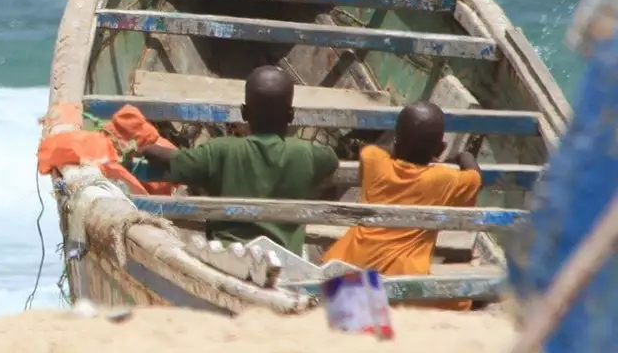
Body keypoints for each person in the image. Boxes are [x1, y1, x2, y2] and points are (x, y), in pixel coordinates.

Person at [139, 65, 339, 254]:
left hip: (228, 256)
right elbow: (331, 160)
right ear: (291, 115)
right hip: (285, 260)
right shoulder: (308, 154)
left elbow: (173, 160)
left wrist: (143, 147)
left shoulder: (220, 150)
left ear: (244, 113)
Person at [321, 102, 482, 306]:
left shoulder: (374, 160)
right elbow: (475, 176)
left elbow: (377, 150)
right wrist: (461, 156)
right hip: (404, 281)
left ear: (397, 140)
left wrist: (403, 145)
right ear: (440, 148)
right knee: (463, 301)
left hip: (349, 264)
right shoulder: (445, 179)